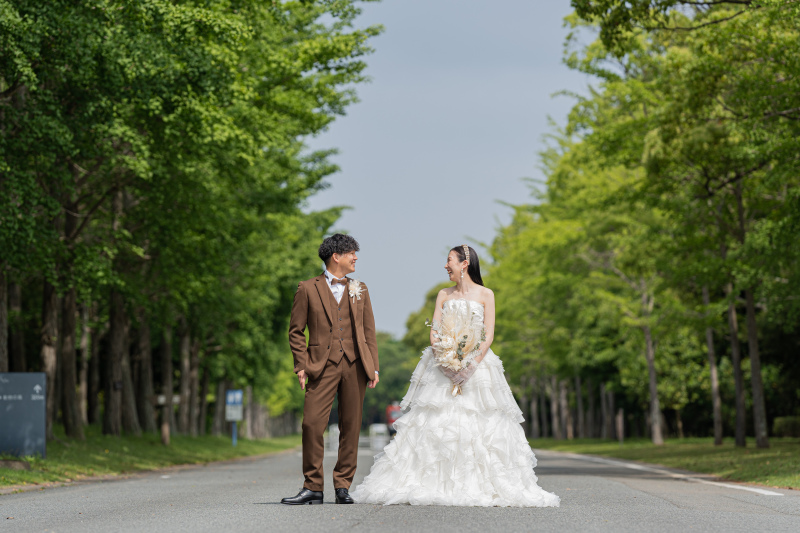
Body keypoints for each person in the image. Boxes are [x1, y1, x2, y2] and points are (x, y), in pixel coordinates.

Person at [351, 245, 559, 507]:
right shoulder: (443, 294)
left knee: (481, 422)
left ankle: (482, 482)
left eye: (449, 260)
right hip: (442, 366)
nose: (445, 266)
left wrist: (470, 365)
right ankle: (431, 481)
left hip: (478, 367)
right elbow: (435, 330)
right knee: (436, 422)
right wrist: (445, 360)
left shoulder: (486, 294)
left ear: (465, 263)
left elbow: (488, 333)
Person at [281, 234, 380, 505]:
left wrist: (374, 367)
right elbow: (296, 331)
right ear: (336, 256)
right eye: (351, 253)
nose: (356, 257)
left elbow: (368, 331)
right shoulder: (307, 288)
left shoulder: (361, 288)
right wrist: (301, 364)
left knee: (351, 426)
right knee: (312, 424)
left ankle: (342, 486)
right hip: (320, 366)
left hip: (355, 365)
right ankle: (312, 486)